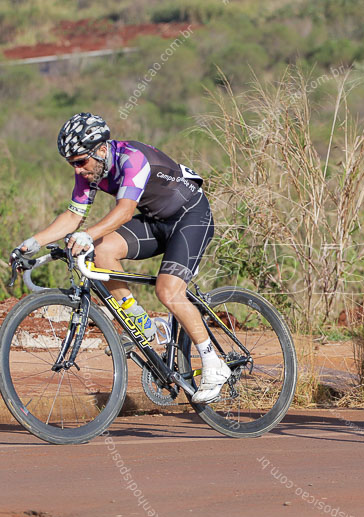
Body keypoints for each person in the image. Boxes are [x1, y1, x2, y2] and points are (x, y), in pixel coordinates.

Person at [12, 112, 227, 403]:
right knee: (102, 251)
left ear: (101, 150)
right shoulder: (93, 171)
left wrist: (88, 233)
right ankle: (142, 324)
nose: (77, 170)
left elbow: (125, 211)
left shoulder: (131, 158)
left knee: (167, 290)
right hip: (157, 220)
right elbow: (73, 216)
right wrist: (34, 242)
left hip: (191, 216)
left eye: (80, 161)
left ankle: (215, 365)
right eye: (71, 164)